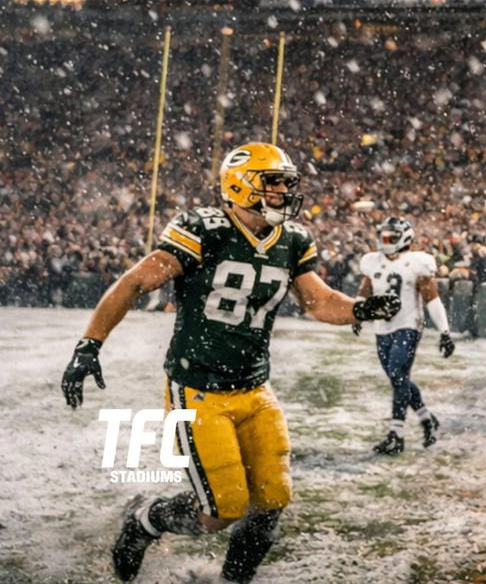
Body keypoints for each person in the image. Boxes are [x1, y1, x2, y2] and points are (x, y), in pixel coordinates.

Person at [60, 143, 400, 583]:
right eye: (272, 181)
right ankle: (144, 519)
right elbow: (134, 283)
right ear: (241, 184)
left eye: (284, 182)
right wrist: (90, 345)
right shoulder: (204, 228)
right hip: (199, 387)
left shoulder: (292, 239)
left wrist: (360, 309)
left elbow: (319, 302)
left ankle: (234, 579)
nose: (282, 191)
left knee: (272, 500)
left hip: (255, 388)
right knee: (221, 509)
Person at [356, 216, 455, 456]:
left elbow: (432, 299)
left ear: (405, 238)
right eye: (383, 236)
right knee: (396, 378)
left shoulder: (417, 263)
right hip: (382, 327)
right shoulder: (373, 262)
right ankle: (426, 418)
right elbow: (366, 289)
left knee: (398, 374)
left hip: (408, 324)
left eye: (391, 237)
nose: (385, 241)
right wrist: (358, 312)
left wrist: (444, 331)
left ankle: (396, 434)